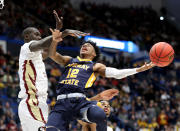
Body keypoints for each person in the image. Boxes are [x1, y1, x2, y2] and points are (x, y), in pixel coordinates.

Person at [46, 29, 155, 131]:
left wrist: (138, 69)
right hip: (61, 103)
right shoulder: (69, 60)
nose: (85, 45)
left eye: (88, 46)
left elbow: (117, 73)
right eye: (83, 45)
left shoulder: (95, 66)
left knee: (99, 114)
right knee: (50, 129)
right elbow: (52, 54)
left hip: (79, 102)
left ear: (94, 54)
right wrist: (54, 40)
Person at [18, 10, 89, 131]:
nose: (39, 37)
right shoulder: (26, 48)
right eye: (36, 34)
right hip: (32, 102)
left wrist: (58, 30)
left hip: (38, 103)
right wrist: (64, 33)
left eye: (39, 35)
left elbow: (50, 51)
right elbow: (42, 44)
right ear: (27, 36)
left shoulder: (36, 56)